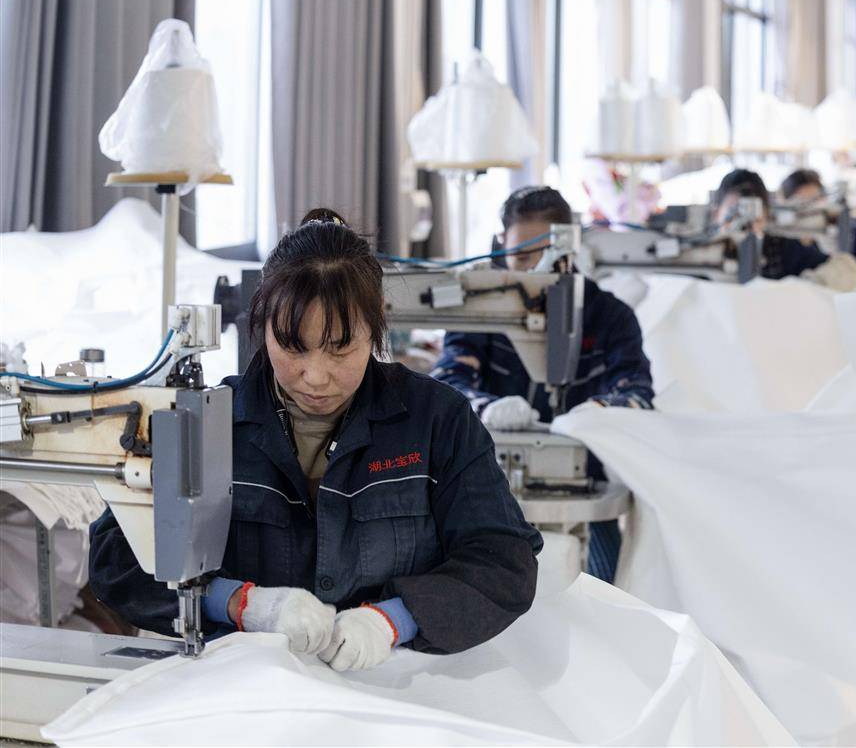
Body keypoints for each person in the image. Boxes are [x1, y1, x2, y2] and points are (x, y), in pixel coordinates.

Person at [91, 209, 542, 671]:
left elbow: (504, 563)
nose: (316, 376)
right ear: (262, 324)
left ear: (376, 325)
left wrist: (394, 620)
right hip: (247, 690)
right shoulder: (208, 422)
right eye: (292, 347)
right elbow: (116, 559)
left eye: (340, 347)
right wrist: (237, 603)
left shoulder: (437, 421)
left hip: (396, 690)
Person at [432, 187, 654, 583]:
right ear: (500, 247)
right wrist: (486, 407)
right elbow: (449, 381)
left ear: (571, 250)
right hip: (486, 481)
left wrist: (594, 414)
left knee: (604, 586)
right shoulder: (481, 311)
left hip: (583, 484)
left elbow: (637, 392)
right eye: (521, 257)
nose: (535, 271)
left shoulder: (610, 317)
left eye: (548, 257)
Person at [713, 168, 832, 279]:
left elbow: (834, 268)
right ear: (716, 214)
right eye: (734, 212)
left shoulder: (786, 250)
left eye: (753, 213)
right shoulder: (706, 253)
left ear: (766, 215)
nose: (746, 224)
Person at [778, 169, 856, 265]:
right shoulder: (783, 240)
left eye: (816, 199)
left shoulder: (838, 220)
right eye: (803, 203)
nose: (812, 208)